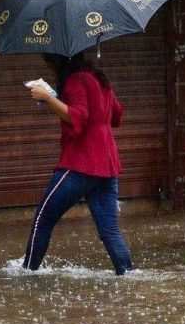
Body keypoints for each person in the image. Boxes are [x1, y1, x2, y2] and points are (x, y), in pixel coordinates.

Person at [23, 53, 133, 275]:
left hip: (80, 163)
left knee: (42, 219)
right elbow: (117, 116)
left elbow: (78, 119)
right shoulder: (101, 79)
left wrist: (49, 98)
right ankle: (127, 275)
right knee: (110, 230)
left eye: (50, 63)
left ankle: (27, 273)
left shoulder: (76, 80)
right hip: (107, 165)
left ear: (60, 62)